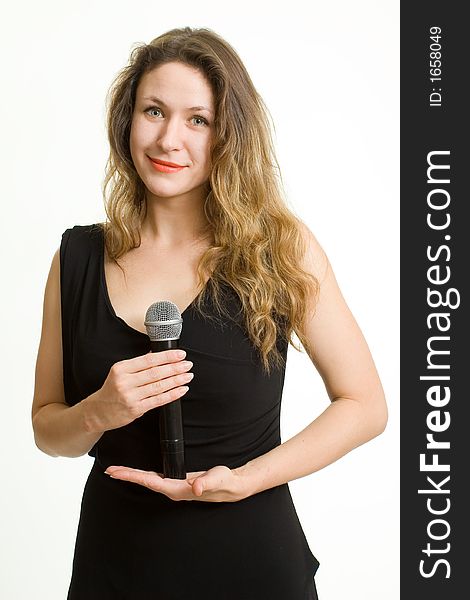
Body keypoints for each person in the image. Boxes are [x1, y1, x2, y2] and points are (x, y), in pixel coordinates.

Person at [31, 26, 388, 600]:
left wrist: (246, 480)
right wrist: (99, 411)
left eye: (198, 119)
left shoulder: (279, 248)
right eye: (154, 111)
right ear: (127, 120)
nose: (169, 138)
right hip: (115, 566)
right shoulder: (74, 259)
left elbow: (365, 405)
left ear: (228, 135)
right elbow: (49, 430)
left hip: (250, 561)